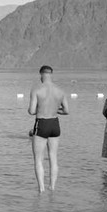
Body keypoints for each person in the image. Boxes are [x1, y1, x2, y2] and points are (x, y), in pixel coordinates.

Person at [28, 65, 69, 193]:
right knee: (53, 157)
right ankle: (52, 188)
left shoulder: (37, 89)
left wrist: (41, 109)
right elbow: (67, 111)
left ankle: (41, 190)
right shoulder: (60, 90)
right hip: (55, 124)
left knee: (38, 159)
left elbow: (31, 111)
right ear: (51, 74)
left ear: (41, 74)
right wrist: (55, 109)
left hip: (42, 123)